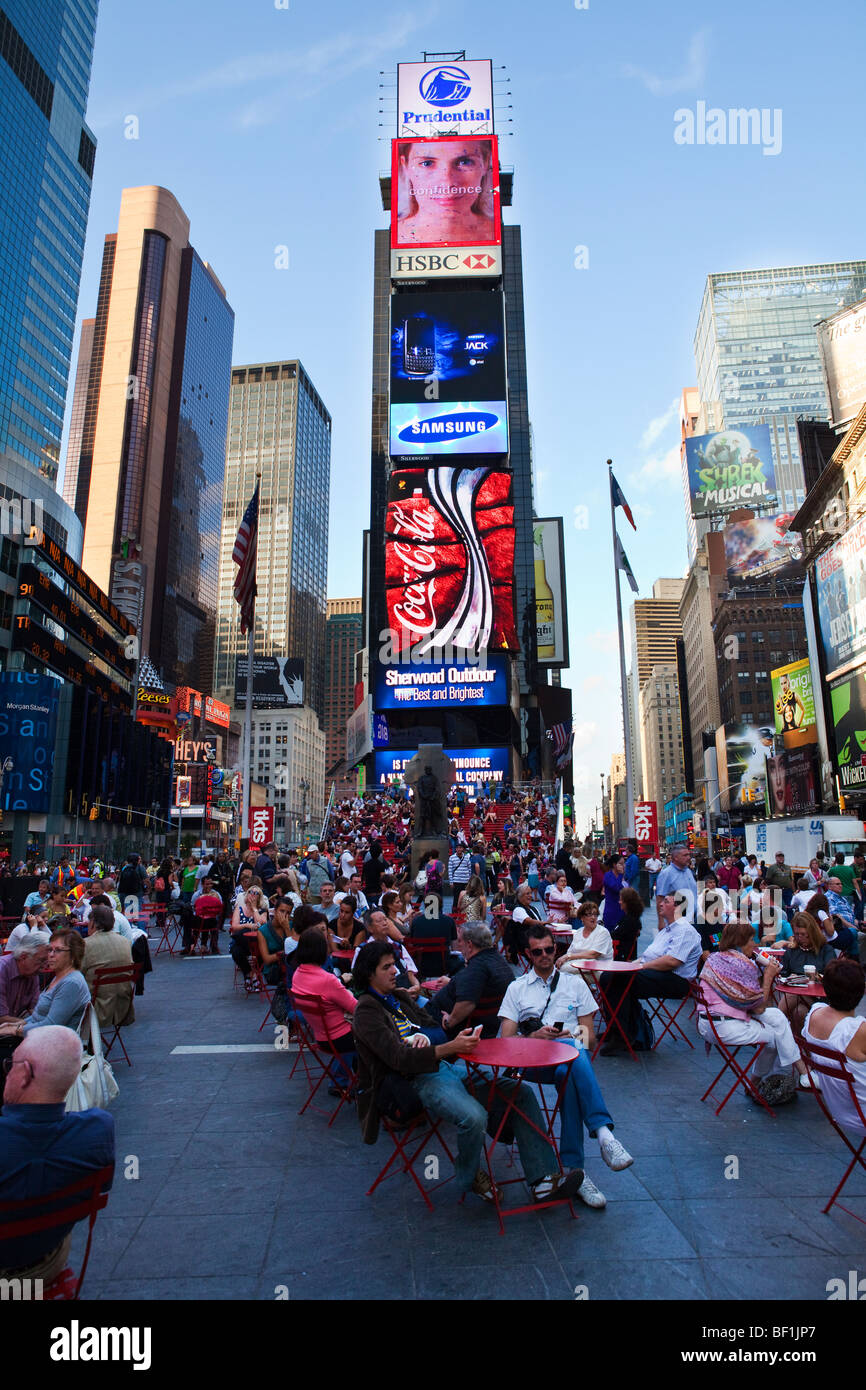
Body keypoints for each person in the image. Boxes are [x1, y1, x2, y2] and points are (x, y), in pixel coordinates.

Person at [351, 941, 582, 1206]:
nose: (395, 971)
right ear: (370, 973)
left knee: (520, 1092)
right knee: (473, 1117)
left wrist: (432, 1039)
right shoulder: (367, 1010)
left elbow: (437, 1028)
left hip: (444, 1066)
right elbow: (399, 1059)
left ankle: (543, 1181)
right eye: (387, 967)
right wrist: (444, 1045)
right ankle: (469, 1176)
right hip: (410, 1082)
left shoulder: (401, 997)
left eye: (394, 964)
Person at [498, 924, 634, 1207]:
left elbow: (591, 1038)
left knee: (570, 1061)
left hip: (568, 1061)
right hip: (531, 1061)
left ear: (556, 949)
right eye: (538, 952)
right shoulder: (517, 988)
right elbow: (507, 1041)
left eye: (550, 949)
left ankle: (576, 1172)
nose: (545, 955)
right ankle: (604, 1134)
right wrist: (533, 1036)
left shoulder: (575, 984)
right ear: (528, 954)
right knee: (573, 1055)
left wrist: (568, 1036)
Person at [0, 1026, 115, 1283]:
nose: (6, 1072)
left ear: (25, 1074)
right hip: (46, 1261)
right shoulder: (99, 1130)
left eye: (10, 1064)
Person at [697, 921, 810, 1088]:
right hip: (723, 1027)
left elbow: (743, 1001)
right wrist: (768, 976)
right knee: (775, 1037)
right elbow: (758, 1007)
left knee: (778, 1016)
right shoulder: (743, 964)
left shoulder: (714, 958)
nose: (755, 943)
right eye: (751, 939)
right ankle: (758, 1082)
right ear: (740, 942)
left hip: (707, 1023)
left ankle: (803, 1072)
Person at [598, 892, 702, 1055]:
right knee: (608, 976)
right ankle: (616, 1030)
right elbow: (647, 957)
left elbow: (672, 962)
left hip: (676, 980)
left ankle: (621, 1036)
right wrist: (630, 965)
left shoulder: (684, 930)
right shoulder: (665, 931)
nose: (660, 904)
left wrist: (641, 967)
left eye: (666, 902)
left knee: (620, 979)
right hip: (657, 973)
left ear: (678, 907)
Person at [291, 927, 357, 1083]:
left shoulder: (297, 975)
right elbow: (356, 1007)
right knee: (379, 1030)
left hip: (321, 1036)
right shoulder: (327, 980)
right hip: (342, 1037)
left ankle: (342, 1077)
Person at [802, 958, 866, 1119]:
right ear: (862, 990)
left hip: (841, 1113)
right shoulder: (857, 1030)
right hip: (861, 1114)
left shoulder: (814, 1015)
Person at [425, 923, 513, 1036]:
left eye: (460, 941)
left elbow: (467, 1003)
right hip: (486, 1027)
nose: (458, 945)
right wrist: (453, 982)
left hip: (448, 1026)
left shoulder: (477, 969)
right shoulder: (498, 962)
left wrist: (449, 1022)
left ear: (470, 945)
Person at [777, 912, 837, 1035]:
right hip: (797, 997)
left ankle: (775, 1025)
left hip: (819, 999)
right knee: (799, 1012)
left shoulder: (826, 950)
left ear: (812, 933)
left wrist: (816, 977)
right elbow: (783, 974)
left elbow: (833, 975)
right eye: (797, 934)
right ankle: (802, 1051)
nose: (800, 938)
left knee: (795, 995)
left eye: (804, 934)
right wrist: (787, 976)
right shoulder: (792, 951)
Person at [82, 904, 135, 1031]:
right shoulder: (125, 942)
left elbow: (77, 973)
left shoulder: (86, 944)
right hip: (123, 1005)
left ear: (93, 923)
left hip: (97, 1006)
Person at [0, 933, 51, 1024]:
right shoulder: (2, 970)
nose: (44, 967)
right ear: (23, 957)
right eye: (42, 960)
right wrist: (37, 1026)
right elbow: (2, 1018)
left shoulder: (31, 974)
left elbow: (34, 1009)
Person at [230, 885, 269, 985]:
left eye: (256, 893)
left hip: (257, 943)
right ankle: (250, 973)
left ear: (259, 897)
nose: (252, 894)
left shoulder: (263, 910)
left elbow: (261, 924)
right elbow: (234, 926)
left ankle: (251, 976)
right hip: (242, 942)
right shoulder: (239, 908)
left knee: (241, 939)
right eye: (251, 892)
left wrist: (255, 908)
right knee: (236, 950)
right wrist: (247, 925)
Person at [654, 843, 698, 924]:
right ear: (676, 857)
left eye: (689, 855)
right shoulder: (666, 874)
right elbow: (660, 898)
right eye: (685, 855)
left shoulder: (688, 871)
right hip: (676, 921)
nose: (688, 858)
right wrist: (661, 922)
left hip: (693, 919)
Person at [601, 855, 625, 930]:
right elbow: (616, 888)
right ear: (614, 865)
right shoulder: (608, 875)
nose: (623, 866)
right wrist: (621, 874)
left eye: (623, 863)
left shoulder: (622, 876)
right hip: (611, 910)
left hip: (621, 909)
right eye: (621, 864)